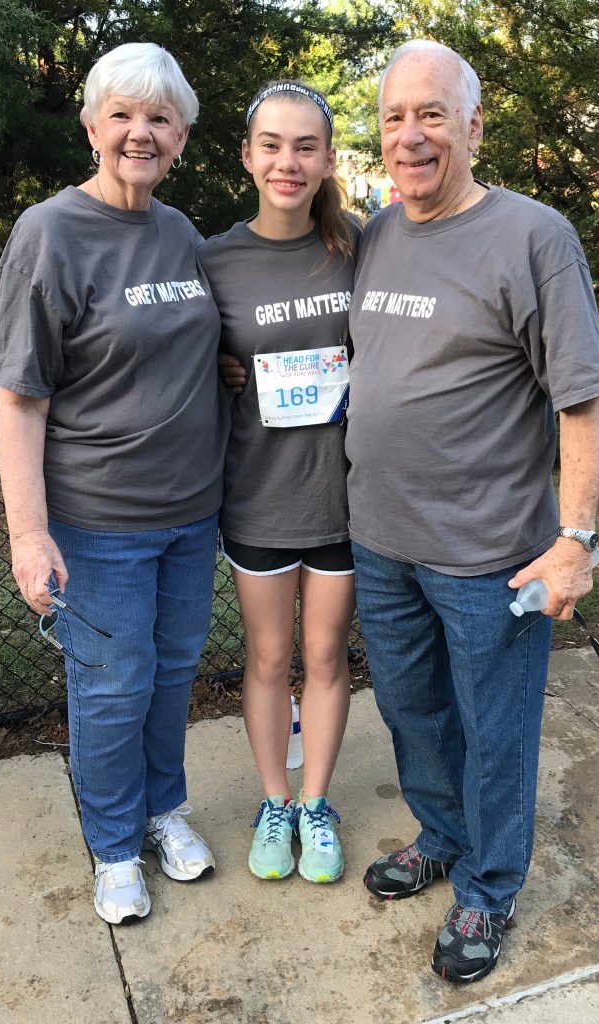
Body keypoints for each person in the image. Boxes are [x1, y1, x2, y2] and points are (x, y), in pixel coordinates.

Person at [345, 40, 599, 982]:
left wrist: (573, 539)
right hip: (379, 542)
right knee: (415, 714)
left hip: (489, 556)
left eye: (431, 115)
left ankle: (488, 889)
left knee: (494, 732)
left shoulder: (534, 236)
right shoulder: (377, 233)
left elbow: (580, 399)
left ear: (472, 124)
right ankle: (439, 835)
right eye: (393, 117)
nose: (410, 136)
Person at [0, 42, 229, 924]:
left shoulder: (179, 233)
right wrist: (28, 533)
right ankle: (115, 848)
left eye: (159, 117)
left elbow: (197, 350)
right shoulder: (50, 232)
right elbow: (19, 398)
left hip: (190, 514)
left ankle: (165, 811)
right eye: (122, 114)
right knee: (110, 686)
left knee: (170, 677)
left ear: (182, 137)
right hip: (97, 522)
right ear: (91, 126)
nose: (141, 132)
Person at [199, 80, 359, 884]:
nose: (288, 161)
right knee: (267, 660)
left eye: (305, 146)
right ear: (247, 155)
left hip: (343, 499)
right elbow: (176, 358)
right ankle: (273, 800)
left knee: (326, 659)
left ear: (328, 159)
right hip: (256, 497)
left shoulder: (361, 246)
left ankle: (316, 804)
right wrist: (220, 371)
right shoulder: (214, 257)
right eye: (272, 144)